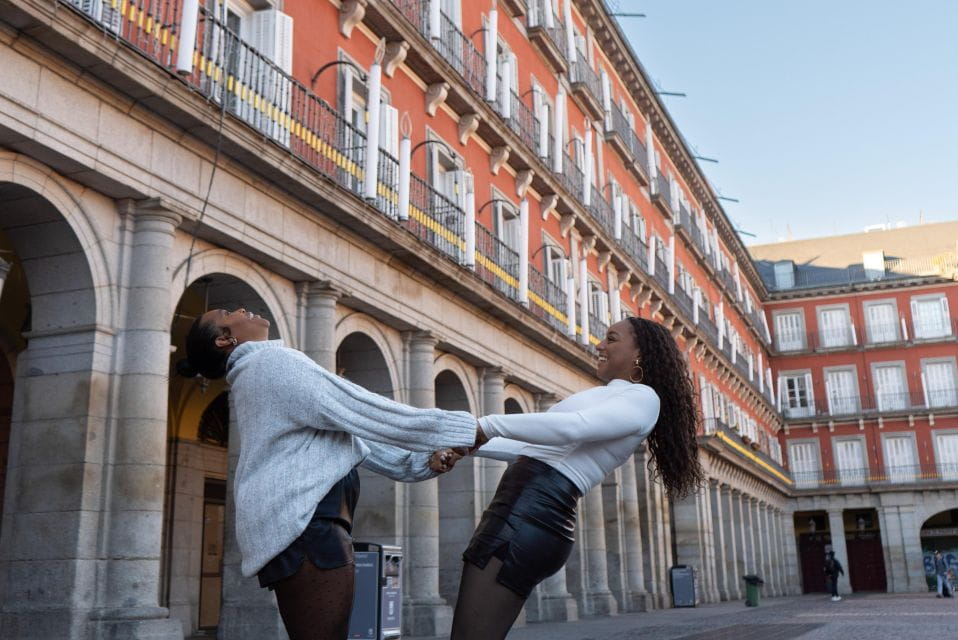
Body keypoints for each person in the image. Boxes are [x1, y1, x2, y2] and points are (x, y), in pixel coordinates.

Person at [174, 307, 486, 640]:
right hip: (310, 531)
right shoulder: (271, 364)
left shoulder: (258, 371)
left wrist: (421, 461)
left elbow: (346, 436)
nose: (240, 309)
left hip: (309, 529)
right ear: (225, 339)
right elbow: (361, 407)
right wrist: (463, 428)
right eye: (226, 312)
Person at [443, 316, 705, 640]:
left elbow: (573, 427)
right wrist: (467, 445)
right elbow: (531, 447)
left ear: (640, 353)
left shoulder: (644, 398)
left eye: (611, 338)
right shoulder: (616, 396)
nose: (599, 345)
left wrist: (486, 425)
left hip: (528, 514)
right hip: (527, 513)